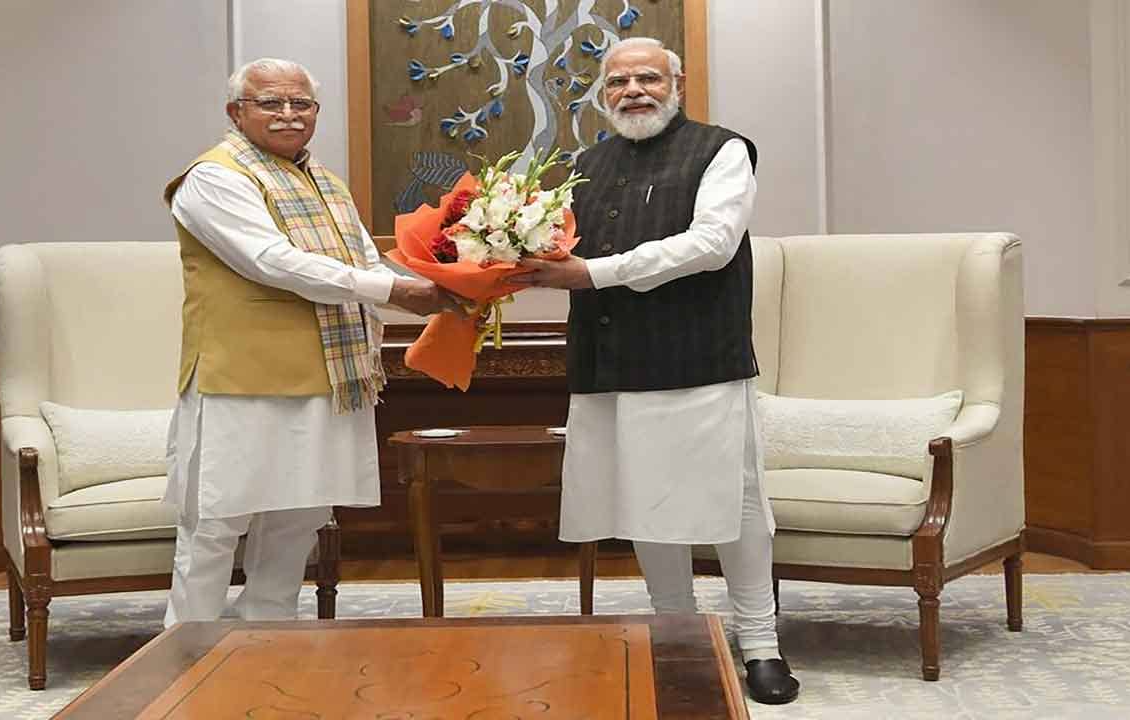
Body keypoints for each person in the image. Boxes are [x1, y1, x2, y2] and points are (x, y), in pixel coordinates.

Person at [514, 38, 800, 704]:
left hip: (699, 357)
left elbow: (712, 244)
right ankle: (677, 632)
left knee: (735, 501)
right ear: (603, 94)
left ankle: (761, 644)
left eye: (648, 77)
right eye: (618, 82)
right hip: (609, 360)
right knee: (643, 500)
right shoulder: (588, 163)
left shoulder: (723, 150)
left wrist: (595, 274)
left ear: (678, 84)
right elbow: (560, 247)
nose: (633, 91)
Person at [160, 58, 455, 627]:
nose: (289, 114)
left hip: (328, 376)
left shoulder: (324, 181)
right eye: (271, 103)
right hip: (241, 378)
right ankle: (186, 651)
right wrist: (395, 290)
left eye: (301, 104)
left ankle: (267, 637)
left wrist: (448, 290)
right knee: (217, 523)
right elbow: (273, 262)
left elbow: (363, 262)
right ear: (236, 113)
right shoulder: (213, 178)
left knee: (298, 520)